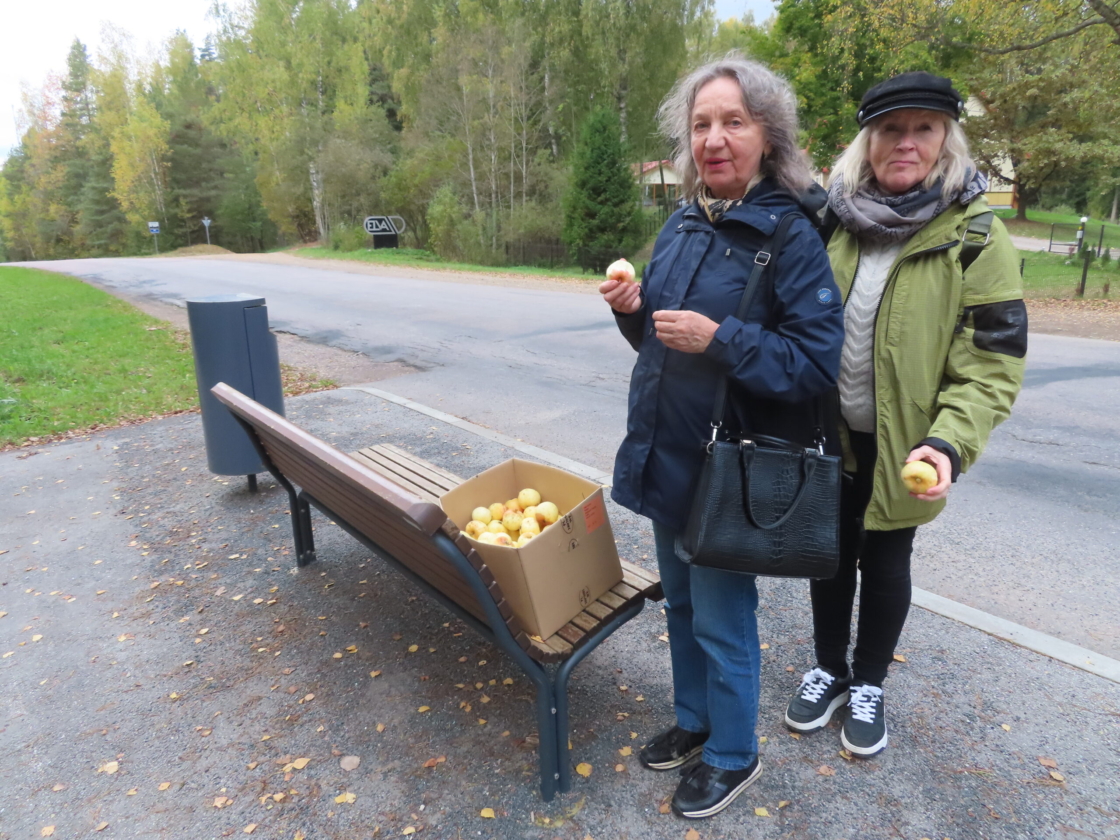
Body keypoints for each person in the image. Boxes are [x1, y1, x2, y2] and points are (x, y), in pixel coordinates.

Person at [600, 55, 844, 819]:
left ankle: (734, 755)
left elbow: (814, 363)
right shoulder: (682, 222)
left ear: (767, 135)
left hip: (727, 473)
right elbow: (659, 342)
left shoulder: (792, 236)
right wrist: (633, 309)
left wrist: (721, 339)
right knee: (678, 609)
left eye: (732, 121)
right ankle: (696, 720)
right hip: (667, 454)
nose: (714, 138)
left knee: (722, 617)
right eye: (701, 124)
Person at [783, 72, 1027, 758]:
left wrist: (948, 445)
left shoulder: (976, 235)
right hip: (829, 437)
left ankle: (868, 682)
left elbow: (991, 363)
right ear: (868, 140)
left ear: (946, 139)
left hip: (909, 447)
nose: (906, 143)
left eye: (924, 129)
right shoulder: (832, 218)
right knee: (827, 557)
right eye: (891, 129)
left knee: (886, 562)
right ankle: (828, 667)